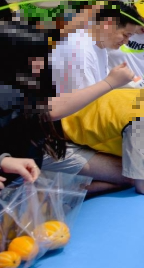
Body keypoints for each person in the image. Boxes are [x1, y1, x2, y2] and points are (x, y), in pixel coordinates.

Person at [0, 22, 134, 186]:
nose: (41, 64)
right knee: (130, 176)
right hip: (19, 156)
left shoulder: (35, 73)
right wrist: (110, 82)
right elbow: (51, 109)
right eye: (33, 59)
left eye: (42, 56)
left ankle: (81, 191)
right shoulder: (6, 91)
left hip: (43, 145)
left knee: (130, 172)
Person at [51, 1, 144, 95]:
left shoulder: (100, 46)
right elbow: (84, 102)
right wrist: (112, 82)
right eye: (125, 35)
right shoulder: (79, 50)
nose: (126, 41)